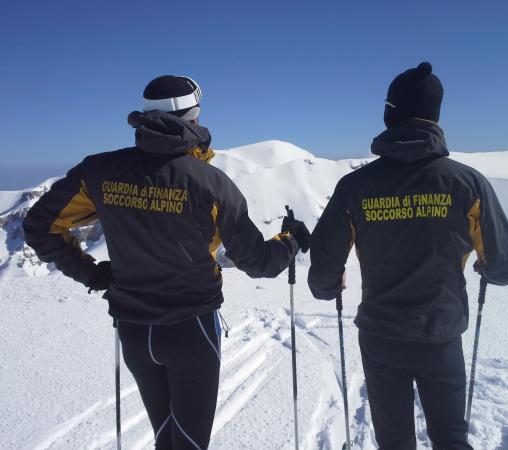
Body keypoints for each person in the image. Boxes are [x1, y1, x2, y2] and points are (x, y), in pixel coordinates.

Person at [23, 75, 310, 450]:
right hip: (191, 328)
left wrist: (94, 274)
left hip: (134, 330)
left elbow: (40, 226)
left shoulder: (98, 172)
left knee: (165, 438)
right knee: (189, 443)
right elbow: (257, 261)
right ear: (191, 119)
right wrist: (290, 240)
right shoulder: (210, 183)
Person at [308, 62, 508, 450]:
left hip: (381, 335)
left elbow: (323, 272)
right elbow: (506, 266)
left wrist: (329, 284)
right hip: (440, 334)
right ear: (436, 118)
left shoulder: (355, 187)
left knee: (394, 441)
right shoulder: (466, 183)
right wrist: (485, 265)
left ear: (390, 114)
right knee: (451, 439)